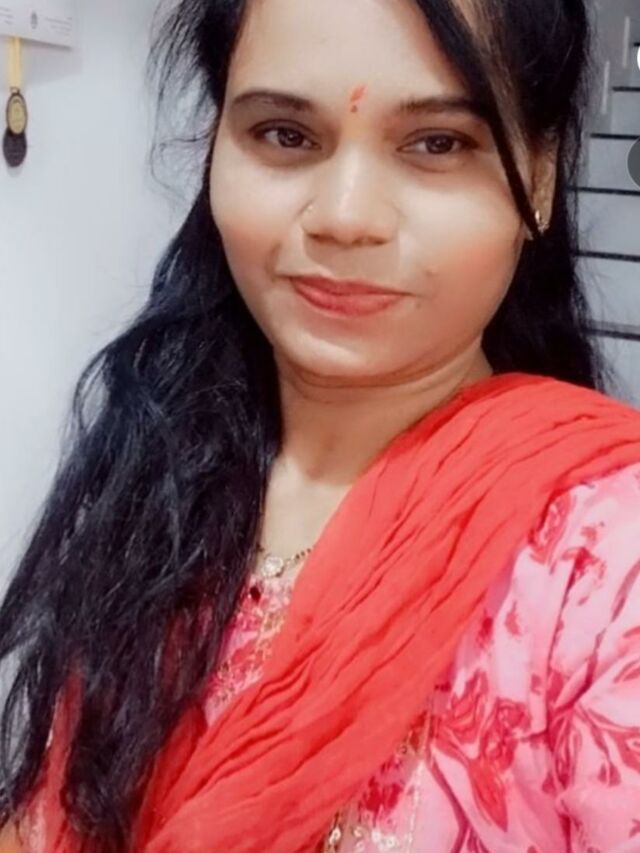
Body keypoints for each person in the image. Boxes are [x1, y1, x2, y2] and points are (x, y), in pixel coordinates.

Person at [1, 0, 639, 850]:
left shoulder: (606, 567)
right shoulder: (163, 477)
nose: (345, 216)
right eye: (285, 135)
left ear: (542, 176)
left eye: (437, 143)